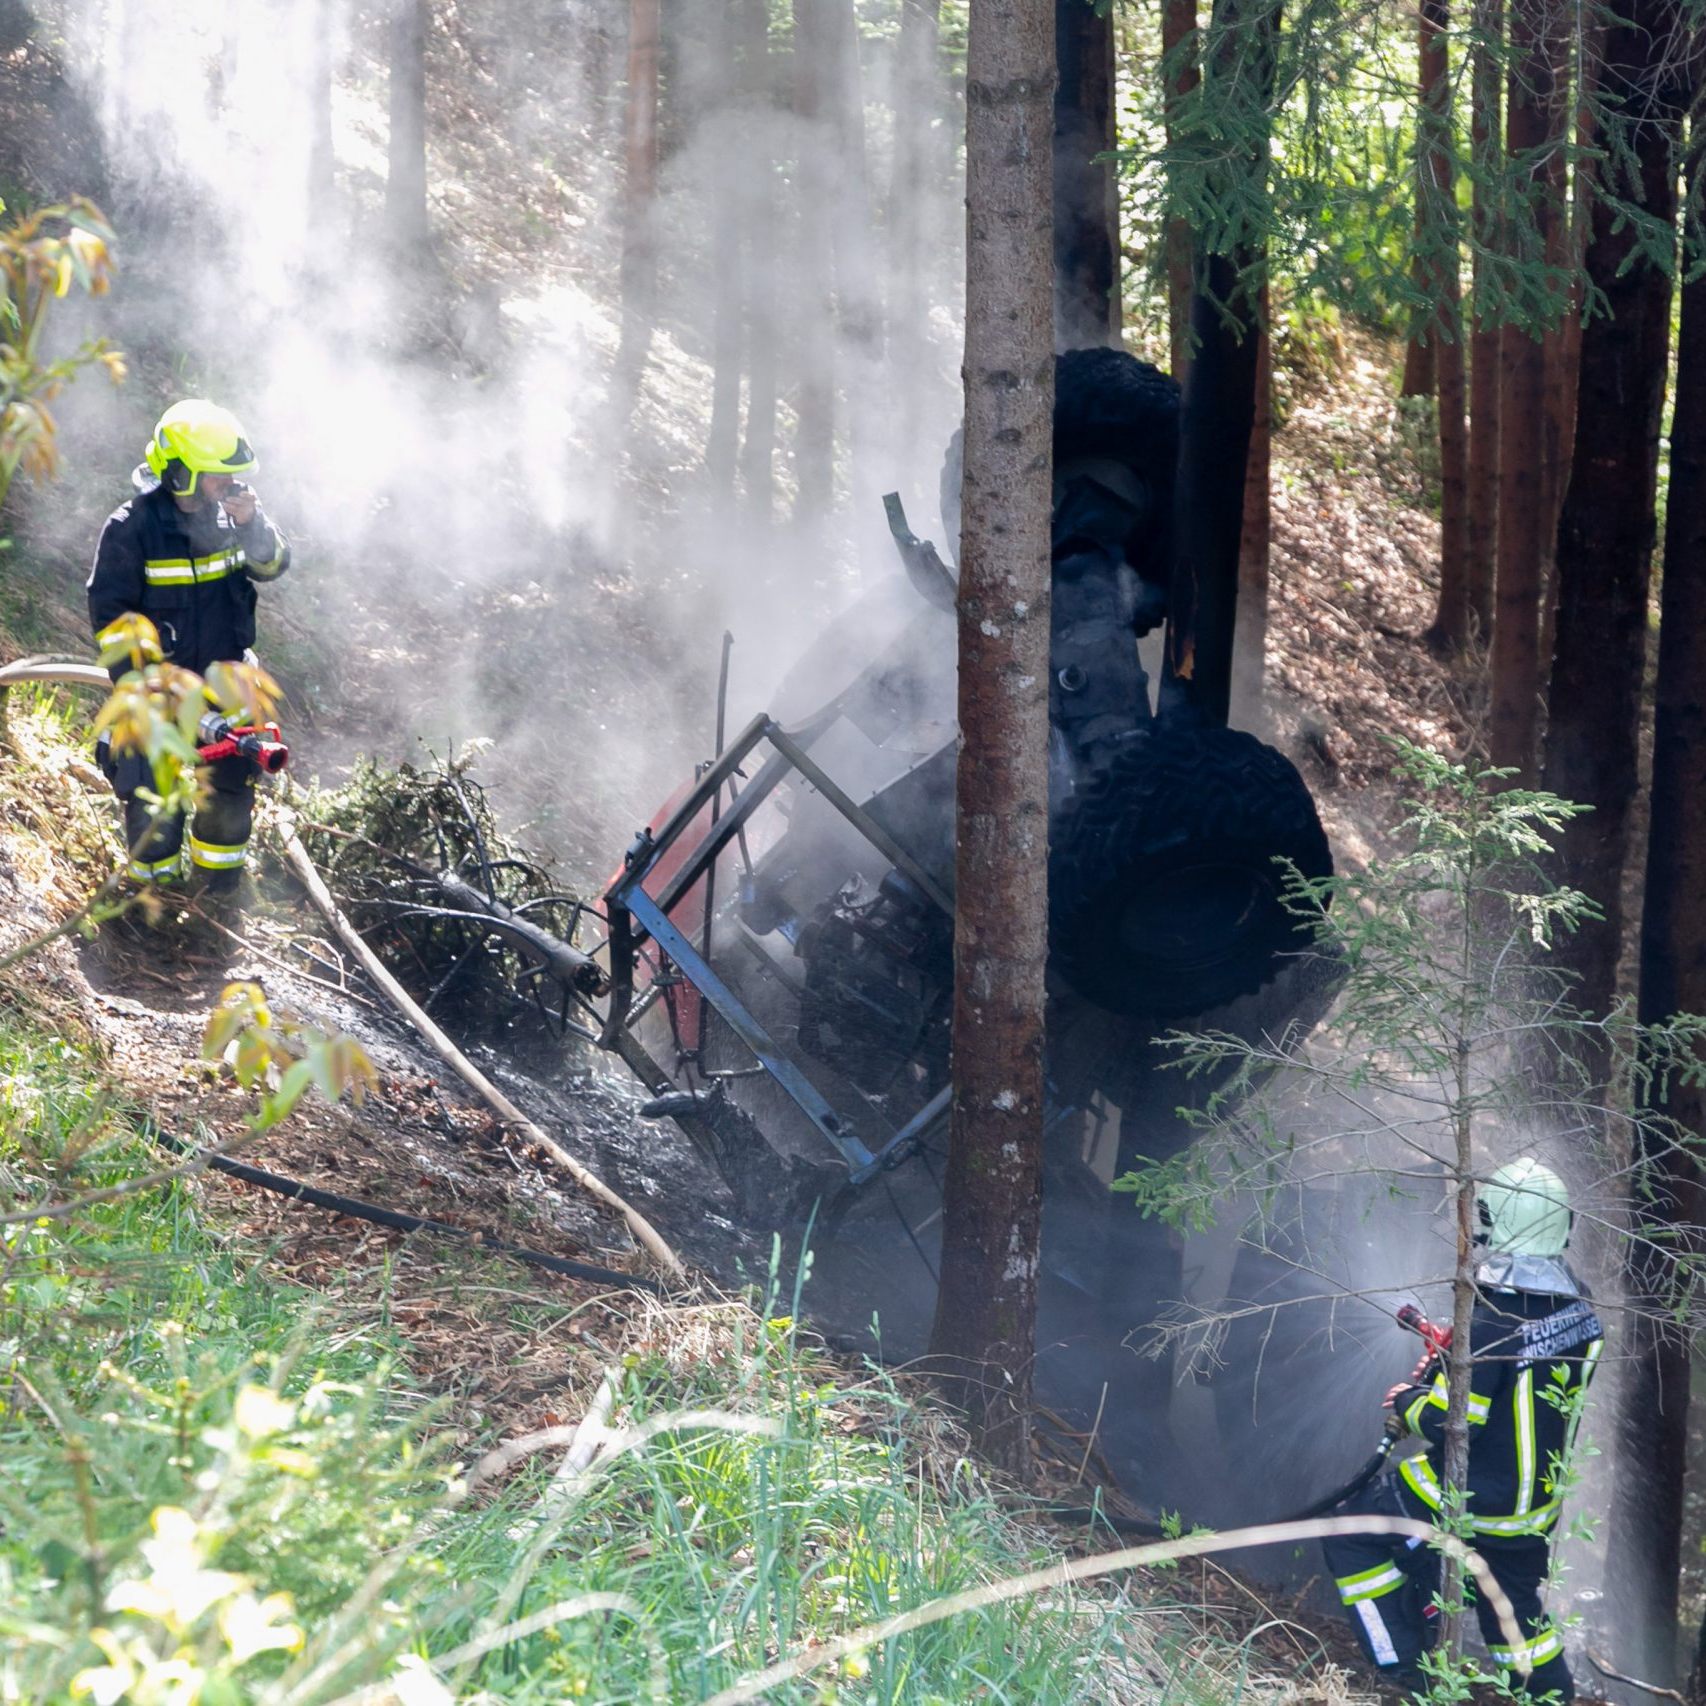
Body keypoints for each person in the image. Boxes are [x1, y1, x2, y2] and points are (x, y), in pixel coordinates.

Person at [1322, 1159, 1604, 1699]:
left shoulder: (1493, 1322)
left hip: (1472, 1497)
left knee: (1350, 1535)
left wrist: (1410, 1401)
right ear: (1561, 1225)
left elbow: (1452, 1426)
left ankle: (1405, 1669)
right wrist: (1456, 1355)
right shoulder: (1581, 1310)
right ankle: (1553, 1697)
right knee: (1514, 1617)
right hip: (1532, 1510)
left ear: (1492, 1222)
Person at [87, 399, 291, 890]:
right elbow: (114, 624)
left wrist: (253, 527)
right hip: (160, 692)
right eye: (219, 477)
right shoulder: (130, 530)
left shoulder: (231, 521)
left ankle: (215, 896)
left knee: (230, 796)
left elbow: (274, 565)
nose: (230, 487)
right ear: (181, 474)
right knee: (151, 794)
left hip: (230, 681)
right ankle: (147, 903)